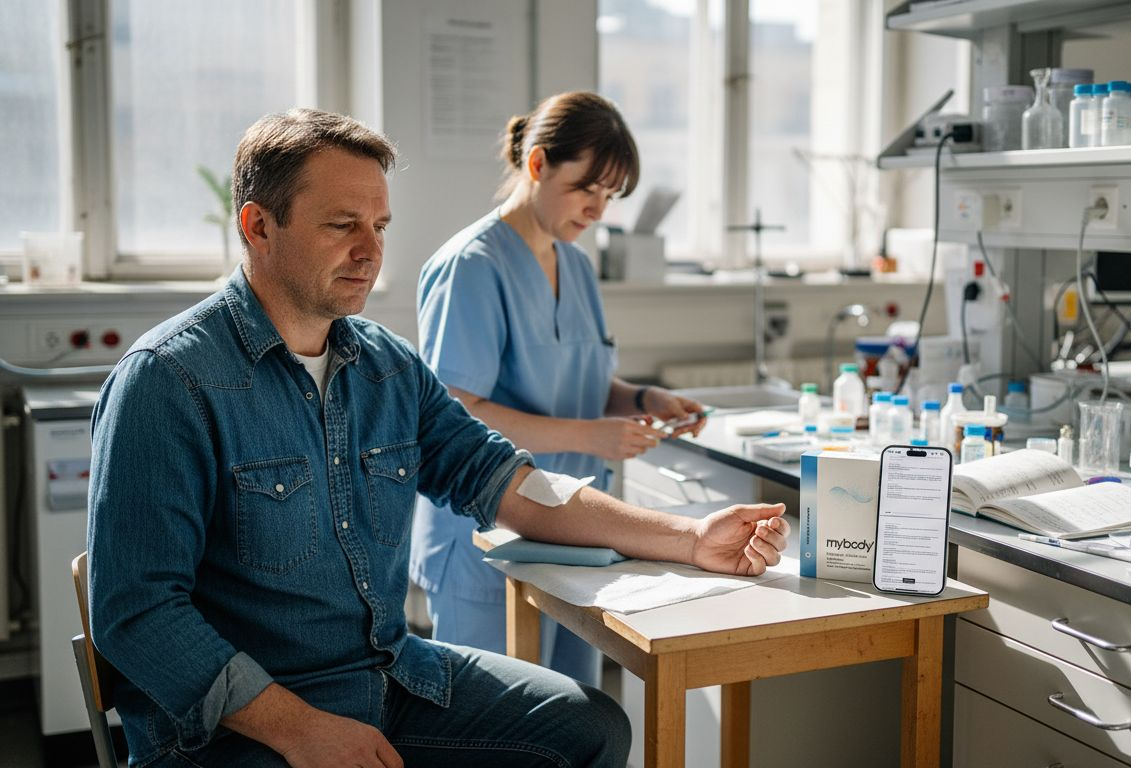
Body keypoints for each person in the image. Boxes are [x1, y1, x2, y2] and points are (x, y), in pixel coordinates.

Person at [87, 107, 790, 768]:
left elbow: (512, 485)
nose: (371, 252)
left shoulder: (387, 365)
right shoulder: (169, 382)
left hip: (390, 676)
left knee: (593, 728)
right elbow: (137, 614)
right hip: (245, 724)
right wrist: (302, 731)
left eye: (381, 226)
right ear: (258, 226)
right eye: (341, 225)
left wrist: (690, 537)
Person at [412, 91, 707, 686]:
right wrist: (592, 437)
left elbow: (579, 379)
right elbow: (455, 411)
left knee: (574, 712)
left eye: (609, 195)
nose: (598, 209)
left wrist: (644, 399)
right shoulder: (473, 266)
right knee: (492, 730)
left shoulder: (573, 264)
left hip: (575, 537)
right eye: (585, 188)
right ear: (539, 164)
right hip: (486, 535)